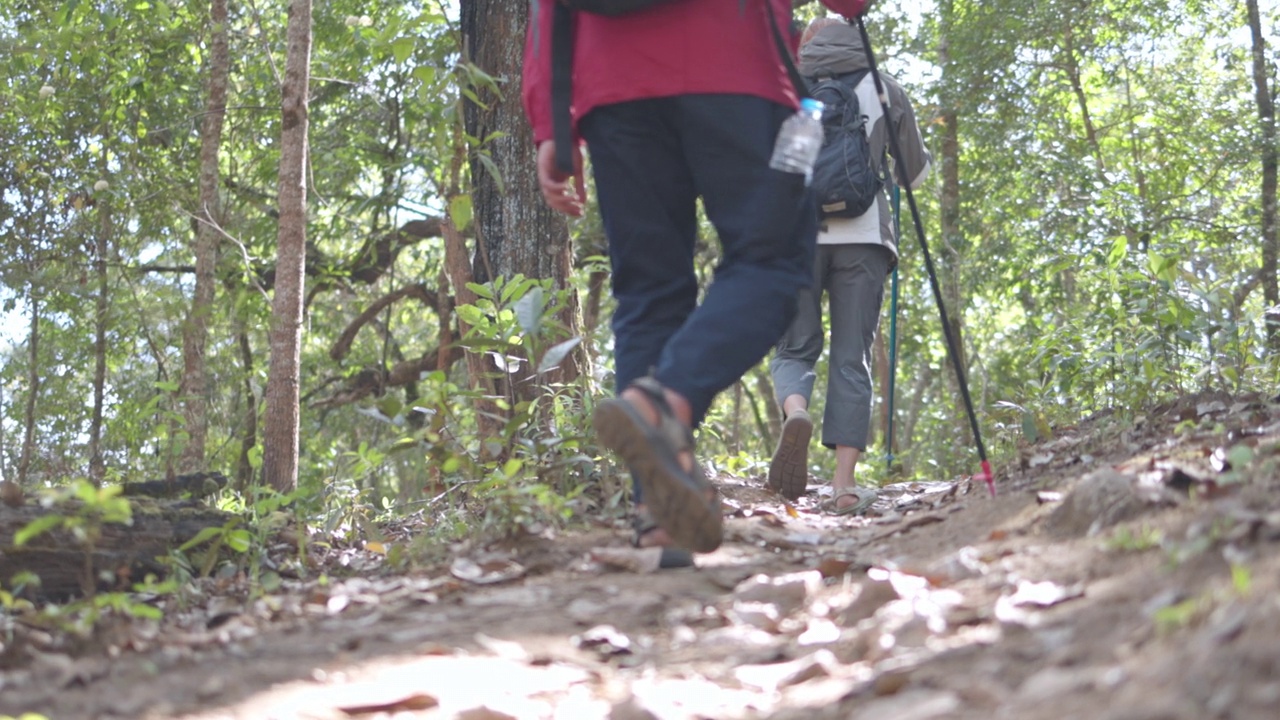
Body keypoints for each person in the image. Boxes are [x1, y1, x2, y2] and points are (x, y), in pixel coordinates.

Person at [523, 0, 868, 560]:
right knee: (773, 264)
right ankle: (664, 404)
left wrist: (550, 122)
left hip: (613, 84)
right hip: (737, 65)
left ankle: (658, 516)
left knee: (648, 290)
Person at [767, 17, 931, 514]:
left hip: (798, 237)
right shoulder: (882, 85)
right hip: (865, 239)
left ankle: (797, 412)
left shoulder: (790, 85)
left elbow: (781, 170)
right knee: (851, 357)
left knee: (794, 346)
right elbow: (915, 176)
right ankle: (843, 486)